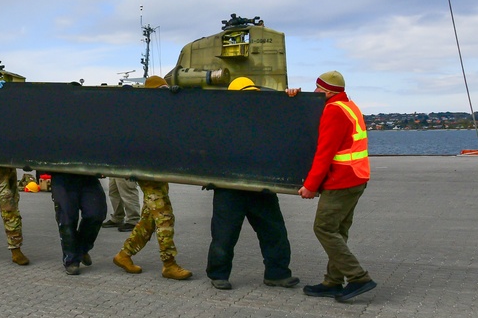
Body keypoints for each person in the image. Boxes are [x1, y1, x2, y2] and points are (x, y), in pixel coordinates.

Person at [288, 70, 376, 302]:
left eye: (318, 88)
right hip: (356, 178)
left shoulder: (333, 111)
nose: (315, 92)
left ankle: (358, 278)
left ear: (327, 91)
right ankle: (333, 282)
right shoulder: (348, 104)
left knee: (324, 228)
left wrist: (310, 186)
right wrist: (296, 97)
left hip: (342, 180)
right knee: (338, 231)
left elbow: (324, 154)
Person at [205, 77, 298, 290]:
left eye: (254, 94)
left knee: (275, 233)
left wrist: (292, 99)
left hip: (261, 187)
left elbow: (292, 121)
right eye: (247, 94)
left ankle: (277, 274)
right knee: (224, 236)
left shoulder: (266, 117)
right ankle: (218, 274)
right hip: (229, 188)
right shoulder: (219, 120)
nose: (252, 98)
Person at [110, 76, 192, 281]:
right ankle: (169, 264)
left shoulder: (161, 115)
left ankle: (124, 255)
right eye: (161, 90)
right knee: (164, 216)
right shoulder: (143, 115)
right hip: (147, 174)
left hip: (159, 174)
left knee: (149, 219)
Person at [49, 172, 107, 275]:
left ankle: (81, 249)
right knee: (67, 219)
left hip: (88, 176)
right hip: (62, 176)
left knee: (96, 213)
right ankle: (71, 260)